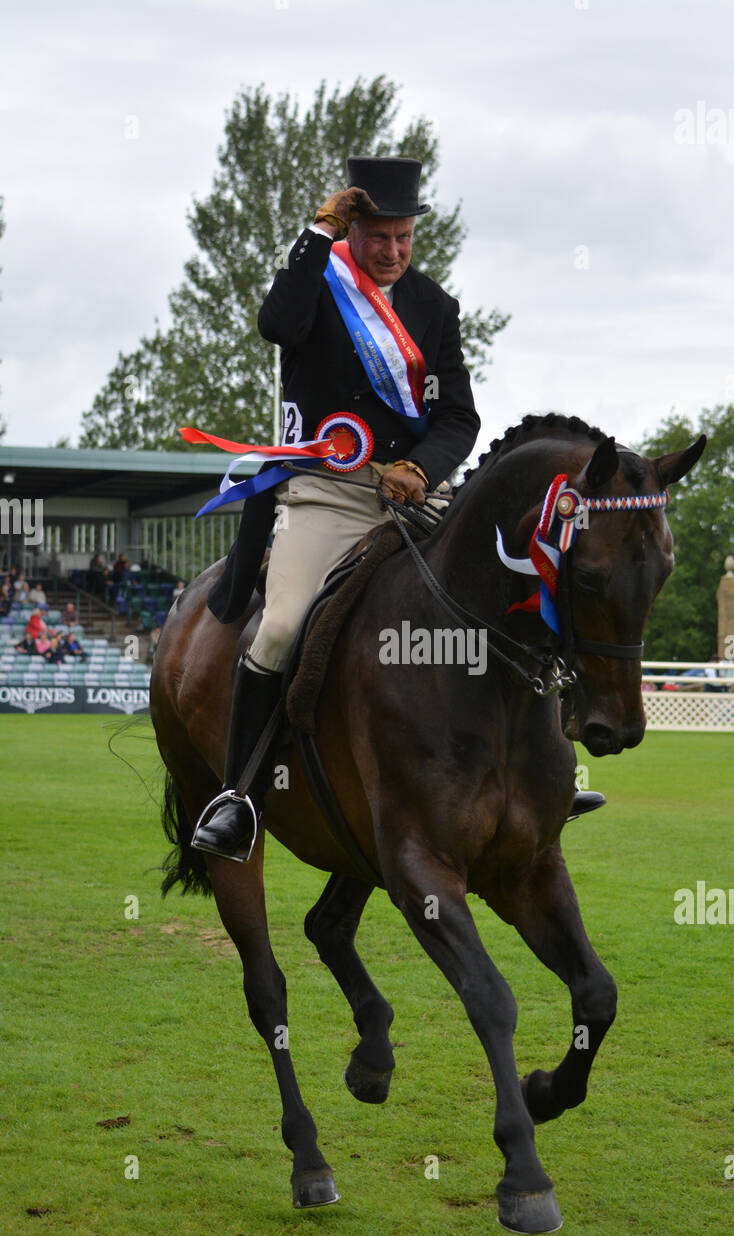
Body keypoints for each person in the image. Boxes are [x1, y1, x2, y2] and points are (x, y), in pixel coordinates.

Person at [193, 155, 481, 860]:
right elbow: (274, 323)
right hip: (326, 491)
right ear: (353, 228)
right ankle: (241, 799)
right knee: (284, 624)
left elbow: (460, 420)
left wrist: (420, 467)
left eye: (403, 239)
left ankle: (538, 775)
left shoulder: (434, 308)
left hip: (415, 492)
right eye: (378, 238)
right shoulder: (317, 283)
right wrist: (315, 235)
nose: (392, 252)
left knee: (498, 596)